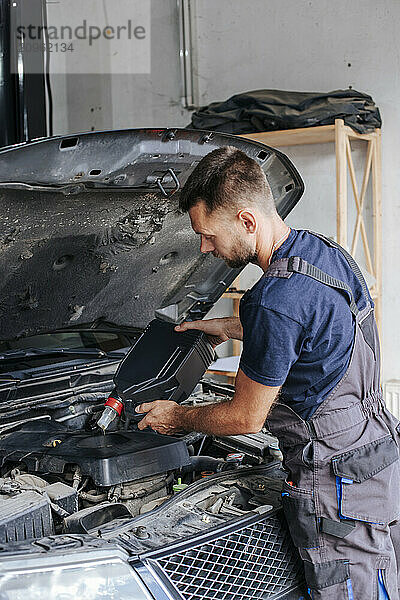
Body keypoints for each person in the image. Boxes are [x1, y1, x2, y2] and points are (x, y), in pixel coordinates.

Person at [135, 146, 400, 599]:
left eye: (207, 234)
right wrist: (237, 325)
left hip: (334, 477)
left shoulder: (274, 301)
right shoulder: (323, 252)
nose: (204, 247)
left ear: (247, 221)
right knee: (381, 579)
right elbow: (320, 325)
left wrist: (175, 417)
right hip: (374, 448)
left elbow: (245, 420)